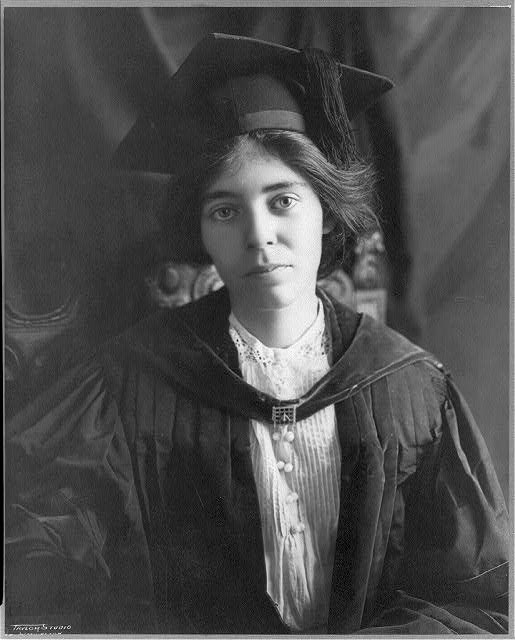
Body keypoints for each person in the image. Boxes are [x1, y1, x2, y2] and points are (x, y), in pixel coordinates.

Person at [5, 33, 509, 635]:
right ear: (200, 231)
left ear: (326, 208)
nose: (258, 233)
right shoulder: (127, 385)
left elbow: (477, 602)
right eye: (225, 210)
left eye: (283, 200)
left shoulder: (411, 393)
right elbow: (37, 571)